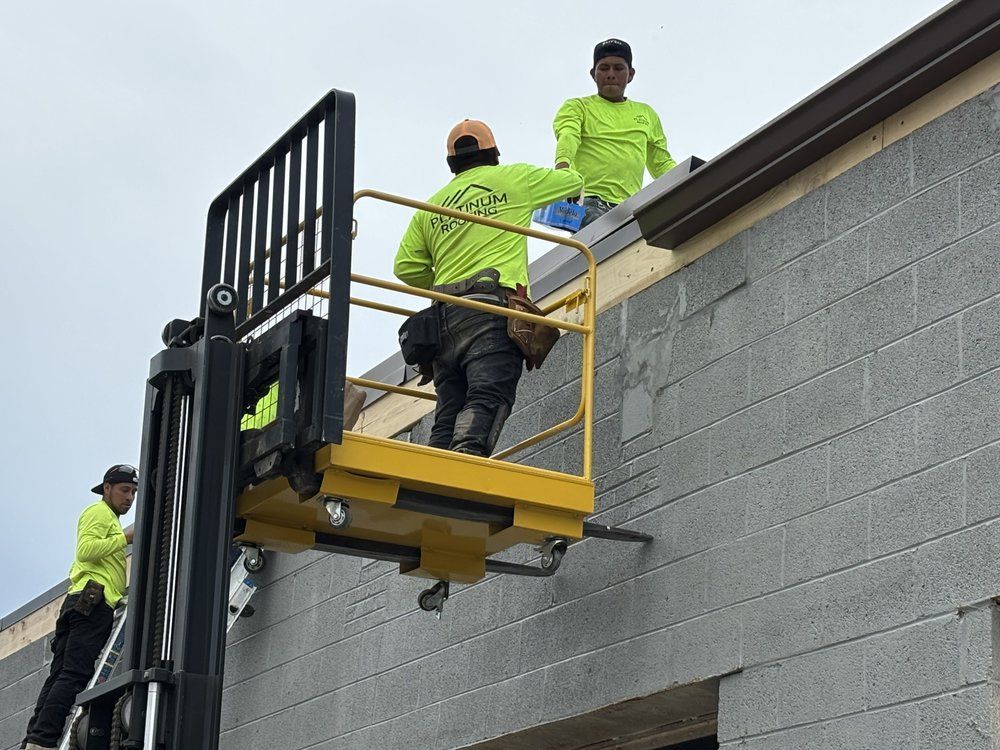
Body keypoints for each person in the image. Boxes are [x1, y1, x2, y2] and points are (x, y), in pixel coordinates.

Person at [394, 119, 583, 456]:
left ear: (452, 161)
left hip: (444, 320)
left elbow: (405, 268)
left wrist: (443, 285)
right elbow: (572, 182)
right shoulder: (513, 178)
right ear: (493, 153)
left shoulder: (431, 207)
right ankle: (464, 466)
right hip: (491, 310)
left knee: (448, 411)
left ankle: (431, 477)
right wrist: (566, 155)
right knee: (488, 394)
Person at [22, 465, 137, 750]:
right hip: (92, 602)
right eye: (124, 490)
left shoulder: (105, 516)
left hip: (82, 600)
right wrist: (126, 537)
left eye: (134, 492)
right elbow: (85, 551)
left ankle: (37, 739)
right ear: (106, 488)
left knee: (61, 674)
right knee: (74, 674)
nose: (130, 498)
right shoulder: (99, 513)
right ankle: (44, 739)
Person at [553, 38, 677, 227]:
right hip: (587, 201)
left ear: (631, 74)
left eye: (618, 68)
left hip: (630, 207)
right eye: (604, 68)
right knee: (603, 234)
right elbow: (568, 135)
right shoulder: (578, 106)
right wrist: (563, 169)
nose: (611, 74)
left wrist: (689, 179)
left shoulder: (646, 114)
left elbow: (661, 163)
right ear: (593, 74)